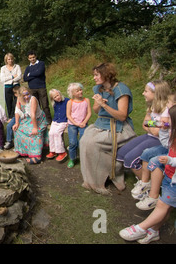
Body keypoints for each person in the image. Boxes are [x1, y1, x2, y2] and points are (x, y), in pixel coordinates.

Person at [119, 105, 176, 244]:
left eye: (170, 121)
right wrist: (163, 129)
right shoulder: (173, 135)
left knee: (163, 206)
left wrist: (171, 161)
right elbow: (148, 125)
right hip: (169, 176)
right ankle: (154, 231)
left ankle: (140, 228)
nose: (167, 123)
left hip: (174, 180)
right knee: (166, 207)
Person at [79, 63, 135, 195]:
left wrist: (104, 105)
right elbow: (96, 110)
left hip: (117, 127)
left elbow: (122, 116)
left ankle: (102, 180)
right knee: (84, 141)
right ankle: (90, 180)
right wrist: (98, 104)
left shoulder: (121, 90)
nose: (94, 78)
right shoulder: (99, 88)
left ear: (106, 74)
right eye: (94, 75)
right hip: (101, 124)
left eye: (96, 75)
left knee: (93, 144)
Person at [117, 80, 170, 199]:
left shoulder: (166, 110)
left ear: (156, 94)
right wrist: (153, 125)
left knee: (130, 159)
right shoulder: (152, 107)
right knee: (121, 153)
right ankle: (144, 178)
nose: (143, 93)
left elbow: (156, 131)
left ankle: (148, 186)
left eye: (146, 91)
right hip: (150, 136)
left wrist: (150, 125)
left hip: (159, 141)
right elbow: (144, 125)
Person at [135, 92, 176, 210]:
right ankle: (145, 183)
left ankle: (153, 196)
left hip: (170, 153)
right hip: (168, 147)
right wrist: (163, 129)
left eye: (168, 103)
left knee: (155, 160)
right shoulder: (168, 121)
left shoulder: (171, 119)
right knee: (147, 152)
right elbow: (146, 124)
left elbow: (165, 141)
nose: (166, 105)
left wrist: (161, 130)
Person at [12, 86, 49, 164]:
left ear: (30, 93)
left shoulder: (33, 99)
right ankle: (21, 151)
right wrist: (17, 123)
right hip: (28, 118)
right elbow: (17, 111)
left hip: (38, 119)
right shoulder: (19, 99)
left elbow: (33, 114)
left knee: (35, 133)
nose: (26, 97)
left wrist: (35, 128)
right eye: (24, 95)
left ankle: (37, 156)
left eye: (27, 94)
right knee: (17, 129)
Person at [66, 83, 92, 168]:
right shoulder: (70, 102)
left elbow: (89, 113)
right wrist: (76, 123)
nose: (80, 91)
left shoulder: (86, 100)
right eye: (78, 91)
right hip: (72, 125)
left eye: (81, 89)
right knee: (73, 143)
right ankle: (72, 158)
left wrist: (84, 122)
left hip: (83, 124)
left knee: (83, 142)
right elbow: (68, 115)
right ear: (73, 93)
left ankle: (84, 159)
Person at [23, 51, 52, 124]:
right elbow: (25, 78)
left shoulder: (41, 64)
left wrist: (30, 75)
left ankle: (49, 121)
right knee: (35, 105)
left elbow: (40, 72)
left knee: (45, 105)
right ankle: (38, 120)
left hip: (41, 87)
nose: (32, 59)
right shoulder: (28, 67)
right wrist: (33, 74)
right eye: (30, 58)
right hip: (32, 89)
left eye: (33, 57)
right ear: (28, 59)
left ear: (35, 56)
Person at [46, 89, 69, 162]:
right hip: (56, 120)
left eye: (57, 95)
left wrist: (69, 120)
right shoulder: (54, 103)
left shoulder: (67, 101)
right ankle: (53, 150)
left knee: (57, 133)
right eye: (55, 97)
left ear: (60, 94)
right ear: (52, 99)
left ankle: (62, 152)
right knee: (51, 133)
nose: (57, 98)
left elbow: (71, 111)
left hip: (64, 120)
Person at [0, 53, 22, 119]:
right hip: (7, 87)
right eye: (9, 59)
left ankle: (16, 116)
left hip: (16, 86)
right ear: (6, 60)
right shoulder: (3, 68)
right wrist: (12, 76)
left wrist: (11, 81)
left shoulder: (17, 66)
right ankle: (10, 117)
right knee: (8, 102)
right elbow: (2, 79)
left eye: (11, 59)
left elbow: (19, 76)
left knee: (16, 101)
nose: (10, 60)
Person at [4, 85, 21, 150]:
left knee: (17, 128)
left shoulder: (24, 100)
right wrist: (11, 117)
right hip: (15, 116)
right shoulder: (15, 101)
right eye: (16, 93)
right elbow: (13, 110)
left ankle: (18, 143)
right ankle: (9, 141)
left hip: (22, 117)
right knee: (9, 126)